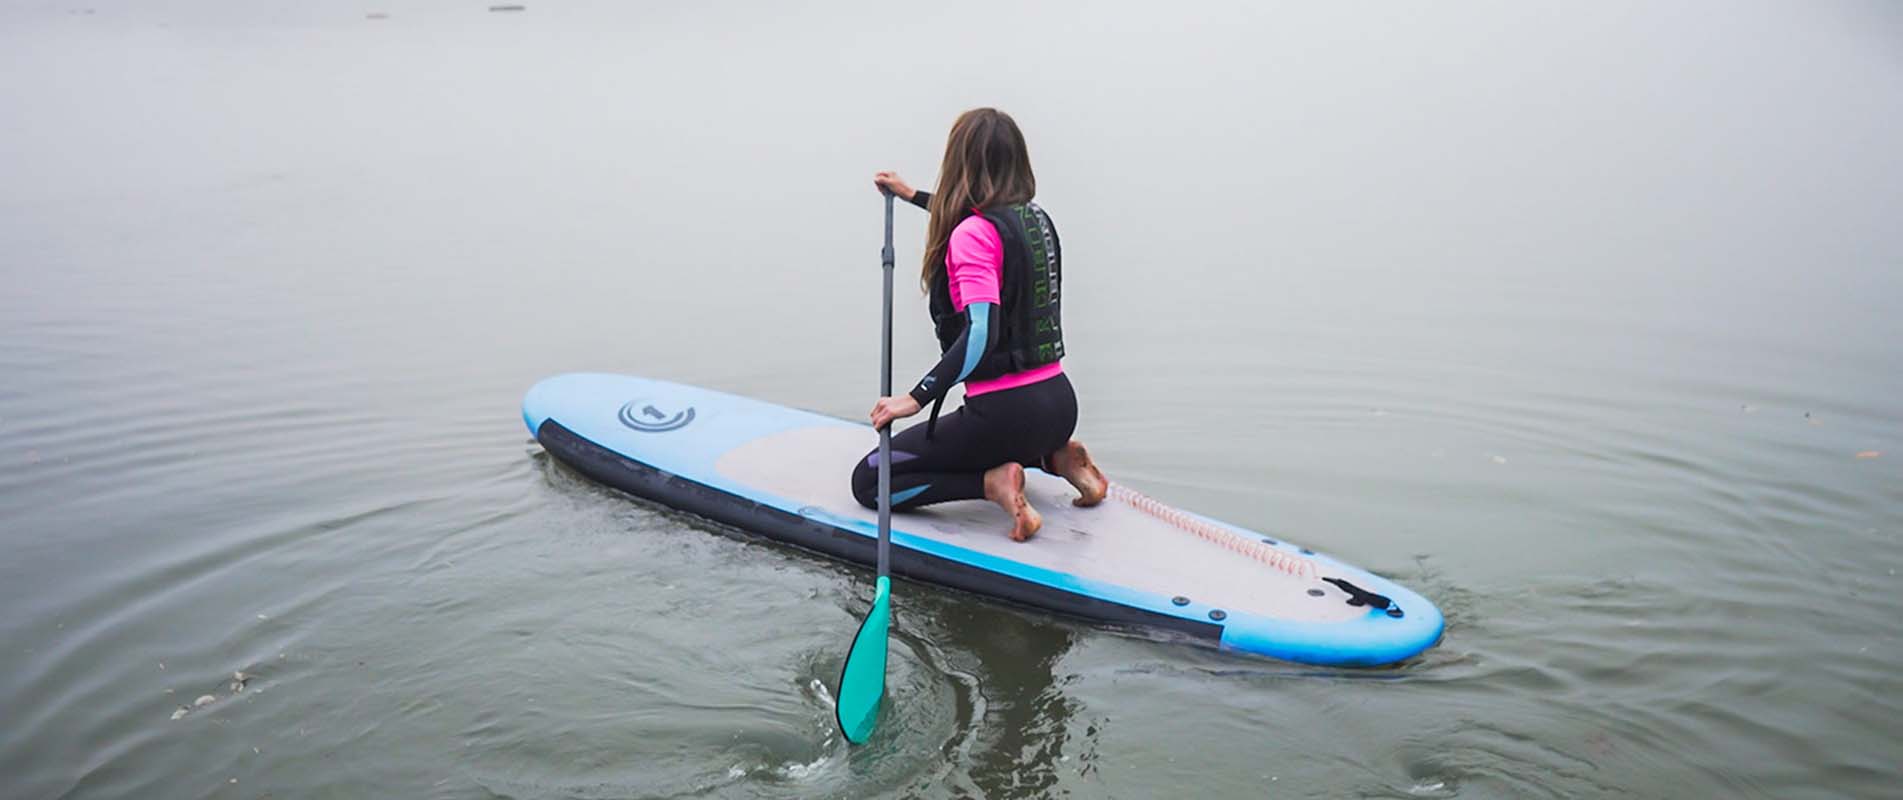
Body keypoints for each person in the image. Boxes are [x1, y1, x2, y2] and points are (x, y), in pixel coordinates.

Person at [851, 108, 1106, 542]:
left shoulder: (971, 235)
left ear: (958, 162)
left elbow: (981, 335)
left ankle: (992, 484)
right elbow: (970, 218)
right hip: (1060, 407)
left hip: (1004, 417)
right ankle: (1057, 459)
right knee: (998, 437)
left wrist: (915, 398)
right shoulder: (1036, 219)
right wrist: (911, 195)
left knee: (871, 480)